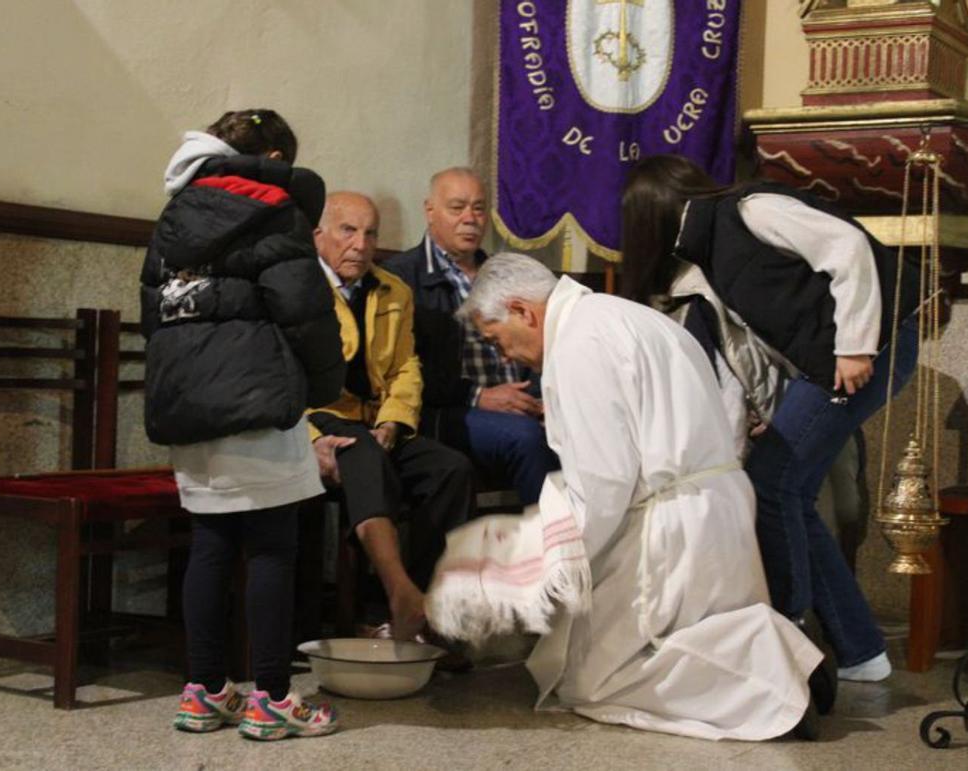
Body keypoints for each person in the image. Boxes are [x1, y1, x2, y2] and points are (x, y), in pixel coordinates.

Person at [429, 253, 821, 740]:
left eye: (497, 340)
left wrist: (551, 562)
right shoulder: (626, 315)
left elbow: (605, 481)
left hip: (672, 523)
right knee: (600, 653)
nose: (506, 356)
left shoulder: (577, 344)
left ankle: (773, 679)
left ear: (522, 310)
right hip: (713, 502)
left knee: (599, 681)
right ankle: (786, 667)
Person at [618, 154, 920, 686]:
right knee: (789, 489)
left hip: (874, 347)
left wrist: (854, 343)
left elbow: (846, 248)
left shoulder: (750, 210)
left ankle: (793, 641)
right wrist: (778, 413)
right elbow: (761, 347)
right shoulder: (709, 257)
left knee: (775, 486)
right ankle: (859, 651)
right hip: (834, 361)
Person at [141, 109, 342, 740]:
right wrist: (322, 387)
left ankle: (205, 692)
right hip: (257, 392)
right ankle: (275, 698)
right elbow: (303, 310)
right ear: (275, 158)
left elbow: (154, 315)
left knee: (211, 543)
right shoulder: (273, 208)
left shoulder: (174, 216)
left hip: (188, 399)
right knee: (273, 547)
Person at [309, 191, 476, 640]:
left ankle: (432, 608)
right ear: (318, 234)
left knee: (450, 468)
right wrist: (307, 439)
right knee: (361, 453)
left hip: (378, 421)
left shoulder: (392, 290)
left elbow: (405, 367)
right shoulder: (300, 289)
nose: (361, 244)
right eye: (348, 230)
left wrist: (394, 420)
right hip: (320, 420)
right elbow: (281, 379)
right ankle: (399, 594)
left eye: (371, 233)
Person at [382, 168, 558, 505]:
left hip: (522, 401)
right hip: (446, 409)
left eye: (478, 209)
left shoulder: (503, 272)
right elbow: (399, 368)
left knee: (572, 426)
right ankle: (555, 546)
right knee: (525, 438)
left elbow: (538, 341)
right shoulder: (402, 278)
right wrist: (477, 396)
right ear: (430, 211)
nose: (470, 219)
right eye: (457, 207)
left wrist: (545, 398)